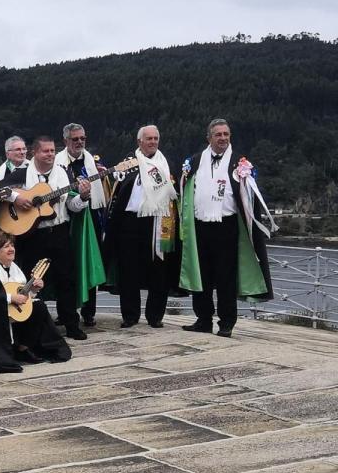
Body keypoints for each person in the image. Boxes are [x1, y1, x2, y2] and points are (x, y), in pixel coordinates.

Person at [180, 119, 276, 338]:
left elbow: (249, 197)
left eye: (226, 134)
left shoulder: (239, 163)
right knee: (201, 275)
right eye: (218, 134)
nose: (223, 138)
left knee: (226, 278)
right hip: (200, 227)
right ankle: (203, 319)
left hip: (227, 227)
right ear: (209, 138)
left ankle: (226, 323)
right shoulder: (195, 161)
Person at [2, 136, 92, 341]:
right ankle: (32, 325)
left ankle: (71, 324)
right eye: (46, 151)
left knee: (66, 279)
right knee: (31, 280)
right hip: (33, 234)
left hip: (59, 231)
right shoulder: (22, 173)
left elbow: (71, 206)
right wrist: (17, 198)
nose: (50, 154)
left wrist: (83, 197)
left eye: (52, 150)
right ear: (35, 153)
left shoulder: (63, 173)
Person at [104, 125, 178, 328]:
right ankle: (130, 315)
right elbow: (118, 192)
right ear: (139, 142)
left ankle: (155, 316)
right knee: (128, 270)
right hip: (129, 222)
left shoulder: (166, 164)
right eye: (149, 138)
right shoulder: (128, 163)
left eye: (156, 138)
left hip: (158, 221)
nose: (153, 142)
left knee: (159, 270)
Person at [0, 231, 71, 373]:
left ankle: (23, 347)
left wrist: (34, 289)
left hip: (12, 312)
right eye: (6, 246)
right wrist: (10, 298)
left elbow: (22, 294)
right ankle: (1, 355)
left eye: (12, 245)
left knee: (39, 307)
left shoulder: (14, 269)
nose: (11, 249)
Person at [55, 123, 109, 327]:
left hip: (91, 215)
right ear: (65, 141)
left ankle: (89, 312)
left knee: (89, 260)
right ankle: (65, 311)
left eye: (82, 138)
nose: (79, 142)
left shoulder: (94, 162)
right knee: (66, 266)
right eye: (75, 139)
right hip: (65, 217)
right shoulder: (57, 163)